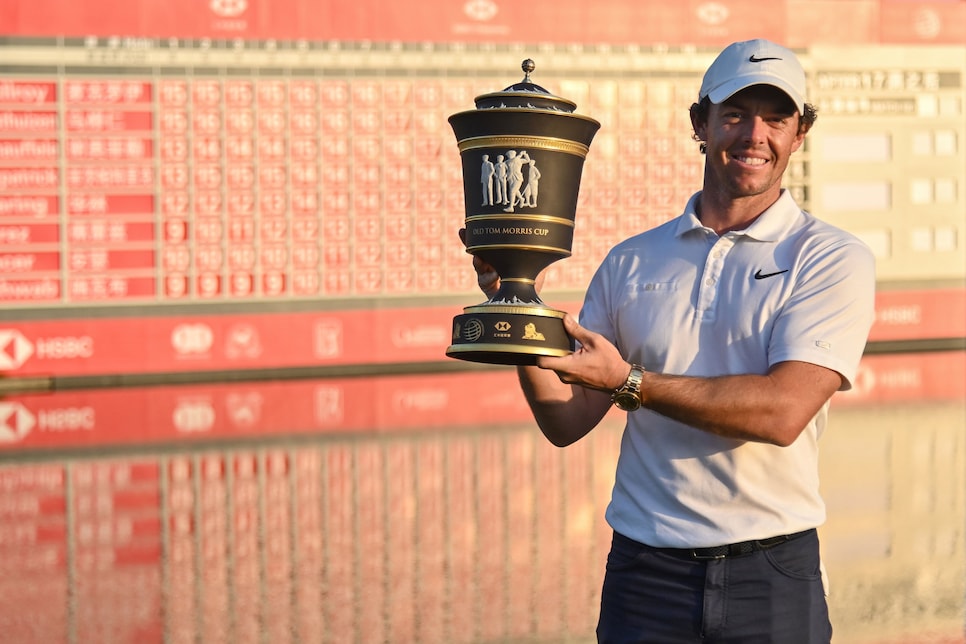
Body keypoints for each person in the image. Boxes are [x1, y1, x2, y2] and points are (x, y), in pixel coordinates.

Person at [463, 39, 876, 643]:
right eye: (734, 114)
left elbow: (783, 411)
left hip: (771, 575)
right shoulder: (631, 260)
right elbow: (566, 419)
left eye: (776, 118)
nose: (754, 135)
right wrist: (517, 306)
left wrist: (630, 383)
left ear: (800, 132)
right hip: (645, 572)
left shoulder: (831, 258)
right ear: (699, 124)